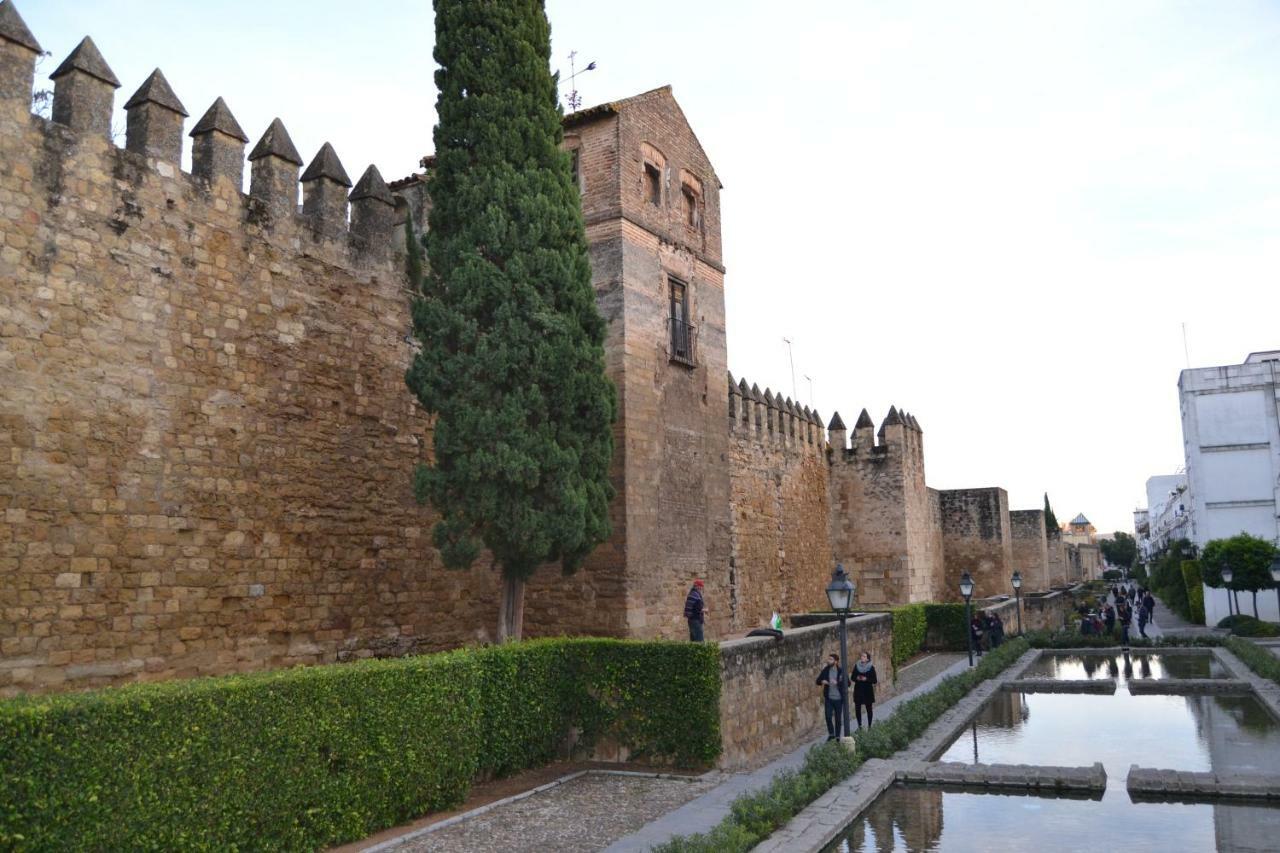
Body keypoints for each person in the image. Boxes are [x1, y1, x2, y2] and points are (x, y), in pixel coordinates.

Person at [815, 652, 848, 740]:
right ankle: (831, 734)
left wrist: (838, 683)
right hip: (829, 698)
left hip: (838, 699)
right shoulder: (826, 670)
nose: (828, 661)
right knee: (828, 716)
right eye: (828, 659)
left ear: (836, 661)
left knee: (838, 719)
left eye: (831, 659)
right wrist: (822, 681)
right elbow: (818, 681)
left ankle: (837, 736)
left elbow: (848, 683)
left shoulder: (841, 671)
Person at [852, 651, 878, 729]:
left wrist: (866, 679)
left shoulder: (871, 668)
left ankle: (870, 726)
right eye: (861, 656)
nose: (862, 657)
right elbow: (852, 677)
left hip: (867, 691)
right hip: (858, 690)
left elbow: (874, 680)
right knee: (857, 708)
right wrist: (857, 678)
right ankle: (859, 726)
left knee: (869, 708)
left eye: (864, 656)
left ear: (867, 659)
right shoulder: (857, 666)